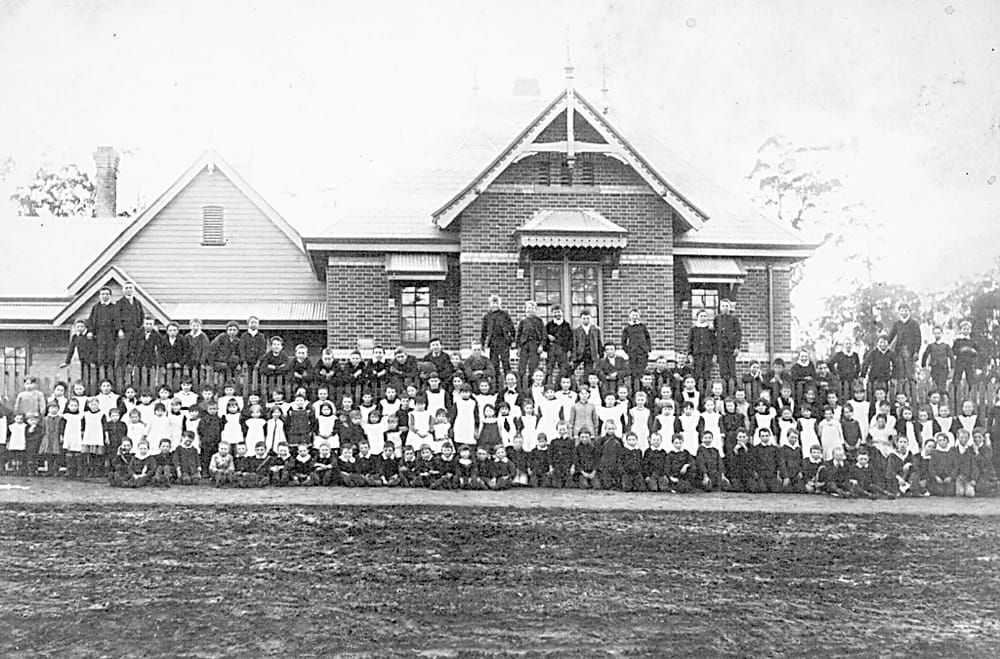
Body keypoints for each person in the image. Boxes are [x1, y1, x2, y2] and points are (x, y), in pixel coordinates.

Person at [480, 295, 515, 382]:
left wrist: (513, 340)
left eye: (496, 303)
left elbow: (512, 328)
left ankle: (509, 382)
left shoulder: (505, 315)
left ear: (499, 304)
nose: (495, 304)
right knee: (494, 364)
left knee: (505, 363)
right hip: (493, 342)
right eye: (493, 303)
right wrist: (482, 344)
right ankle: (496, 384)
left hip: (504, 341)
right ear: (490, 304)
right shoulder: (487, 317)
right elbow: (483, 331)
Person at [886, 303, 921, 389]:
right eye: (902, 311)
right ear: (899, 312)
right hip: (899, 350)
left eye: (906, 310)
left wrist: (916, 351)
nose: (904, 312)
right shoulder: (897, 324)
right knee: (900, 372)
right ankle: (901, 394)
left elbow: (918, 338)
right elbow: (891, 336)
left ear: (909, 312)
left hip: (909, 351)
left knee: (909, 373)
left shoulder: (914, 323)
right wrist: (885, 344)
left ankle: (912, 392)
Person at [515, 301, 545, 389]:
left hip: (534, 346)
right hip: (524, 346)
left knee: (533, 367)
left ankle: (532, 387)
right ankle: (520, 387)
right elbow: (519, 335)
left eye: (532, 308)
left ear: (535, 310)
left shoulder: (539, 321)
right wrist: (518, 347)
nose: (530, 310)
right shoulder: (523, 322)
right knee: (521, 368)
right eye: (528, 308)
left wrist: (541, 345)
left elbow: (544, 334)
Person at [87, 287, 119, 369]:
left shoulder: (114, 307)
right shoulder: (96, 308)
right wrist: (90, 331)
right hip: (99, 334)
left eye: (107, 294)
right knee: (99, 356)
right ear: (100, 296)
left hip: (111, 335)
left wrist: (118, 331)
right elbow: (91, 321)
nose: (105, 296)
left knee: (110, 356)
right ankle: (100, 379)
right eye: (103, 294)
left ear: (110, 296)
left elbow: (117, 321)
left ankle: (110, 379)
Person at [115, 281, 145, 369]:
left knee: (135, 351)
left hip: (136, 331)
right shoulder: (119, 303)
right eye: (126, 288)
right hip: (125, 332)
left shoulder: (137, 303)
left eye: (130, 288)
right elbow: (117, 317)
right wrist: (120, 330)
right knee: (124, 352)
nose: (128, 290)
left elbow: (141, 315)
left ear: (133, 290)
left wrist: (139, 328)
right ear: (123, 290)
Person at [621, 309, 652, 390]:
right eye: (633, 315)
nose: (634, 317)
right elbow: (623, 342)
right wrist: (628, 351)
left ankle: (643, 389)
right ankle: (634, 390)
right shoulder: (627, 328)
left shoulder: (642, 327)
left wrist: (648, 348)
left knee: (642, 372)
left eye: (636, 315)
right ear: (630, 317)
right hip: (633, 354)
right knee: (633, 373)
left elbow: (648, 337)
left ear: (639, 316)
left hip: (642, 353)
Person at [713, 299, 741, 387]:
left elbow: (738, 333)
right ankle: (724, 390)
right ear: (720, 308)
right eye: (723, 306)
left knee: (732, 370)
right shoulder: (717, 318)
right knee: (723, 370)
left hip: (731, 348)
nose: (725, 308)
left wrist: (737, 347)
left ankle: (733, 390)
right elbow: (714, 333)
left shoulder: (734, 319)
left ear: (729, 307)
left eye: (727, 306)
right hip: (721, 348)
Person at [544, 305, 573, 386]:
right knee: (549, 371)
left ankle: (560, 387)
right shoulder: (549, 325)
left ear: (562, 313)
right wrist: (547, 345)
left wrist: (566, 349)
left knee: (564, 371)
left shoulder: (566, 325)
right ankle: (548, 387)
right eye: (555, 312)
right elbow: (544, 338)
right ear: (552, 313)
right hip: (551, 350)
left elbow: (571, 339)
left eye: (559, 312)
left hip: (562, 351)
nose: (557, 314)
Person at [920, 326, 953, 394]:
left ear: (942, 334)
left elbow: (951, 357)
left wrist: (952, 368)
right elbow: (925, 355)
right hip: (934, 368)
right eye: (935, 333)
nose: (937, 335)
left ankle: (942, 401)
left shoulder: (946, 346)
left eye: (938, 333)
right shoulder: (931, 346)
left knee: (942, 386)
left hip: (943, 368)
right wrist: (924, 366)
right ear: (933, 334)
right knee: (935, 386)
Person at [572, 311, 602, 379]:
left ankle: (586, 387)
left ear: (591, 319)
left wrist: (600, 355)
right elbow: (574, 344)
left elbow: (599, 343)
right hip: (580, 354)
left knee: (588, 373)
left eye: (588, 318)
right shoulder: (576, 330)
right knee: (569, 370)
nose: (586, 320)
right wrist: (574, 357)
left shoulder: (596, 330)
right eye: (584, 318)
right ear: (580, 319)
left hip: (591, 355)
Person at [687, 310, 715, 385]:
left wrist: (714, 355)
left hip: (707, 355)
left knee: (707, 375)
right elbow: (690, 342)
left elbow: (714, 343)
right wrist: (690, 355)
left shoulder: (710, 330)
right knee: (697, 375)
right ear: (697, 317)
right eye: (701, 316)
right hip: (697, 355)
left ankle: (706, 392)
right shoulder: (693, 329)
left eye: (705, 316)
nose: (703, 318)